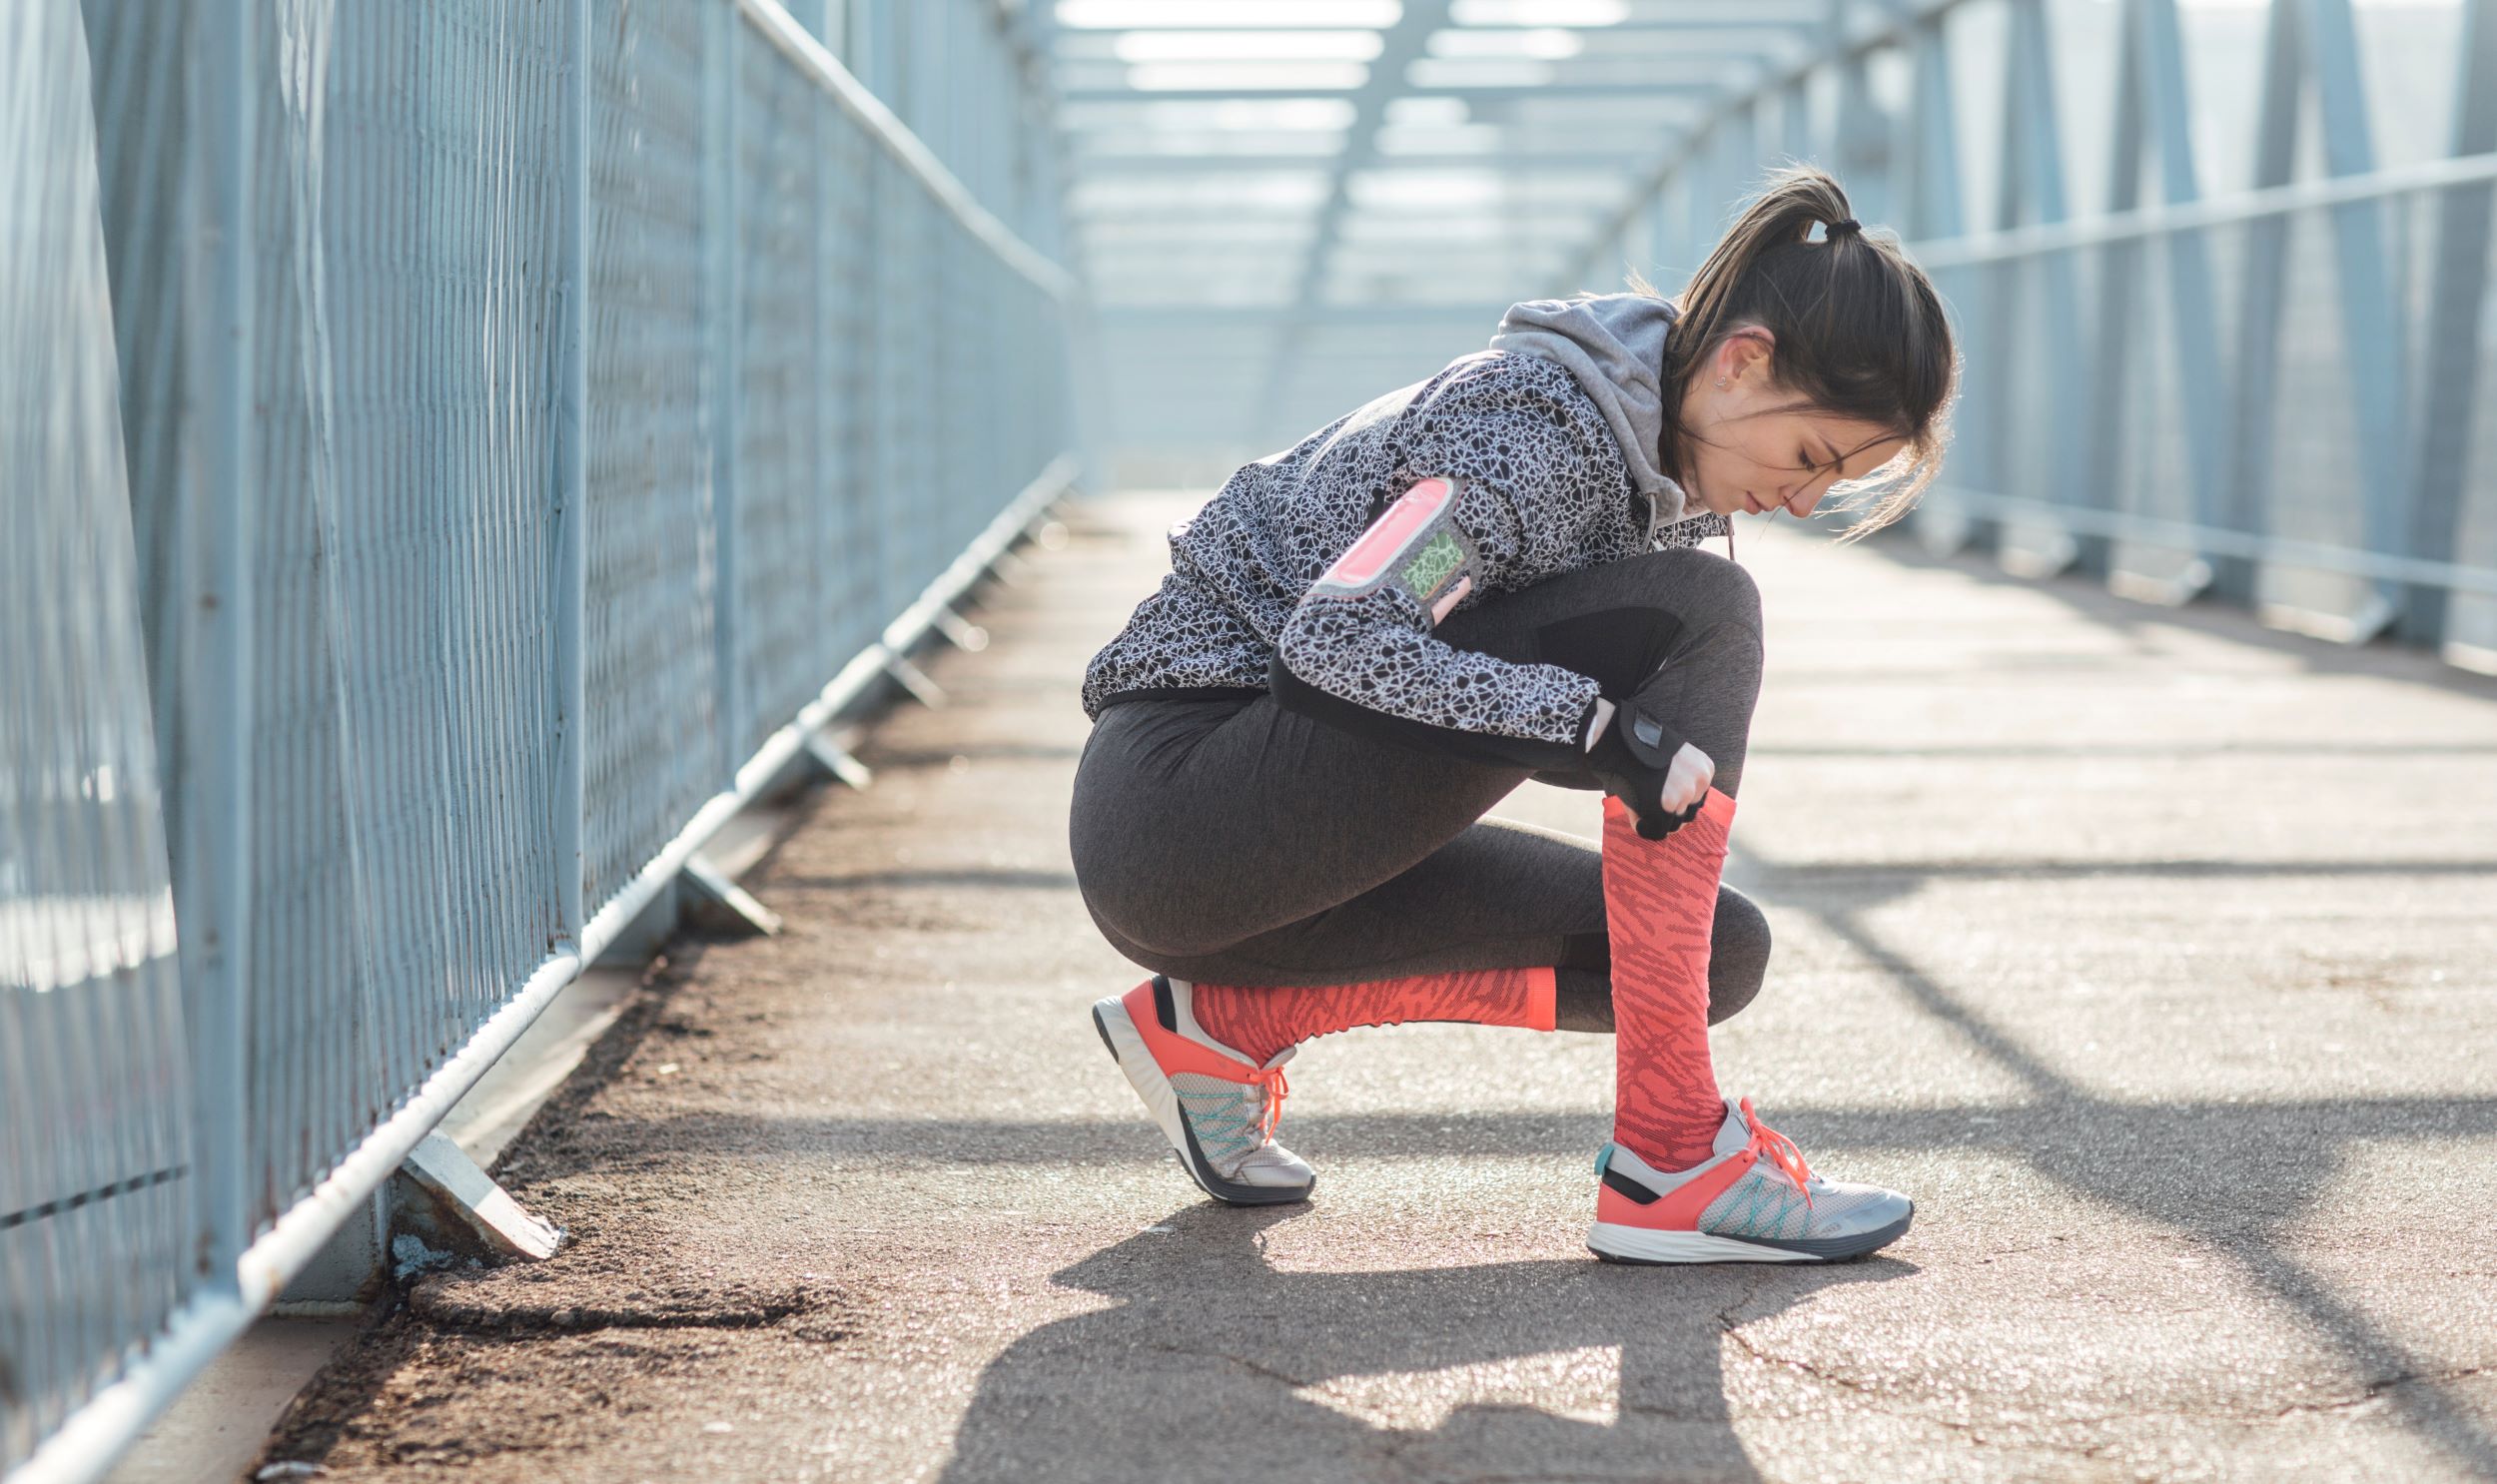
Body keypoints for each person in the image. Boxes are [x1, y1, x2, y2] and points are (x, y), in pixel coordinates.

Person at [1067, 166, 1959, 1264]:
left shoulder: (1656, 497)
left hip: (1262, 859)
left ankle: (1215, 1031)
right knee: (1709, 610)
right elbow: (1340, 641)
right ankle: (1673, 1155)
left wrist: (1601, 738)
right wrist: (1591, 729)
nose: (1807, 499)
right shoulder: (1530, 432)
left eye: (1839, 483)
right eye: (1813, 455)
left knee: (1711, 954)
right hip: (1182, 807)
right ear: (1743, 363)